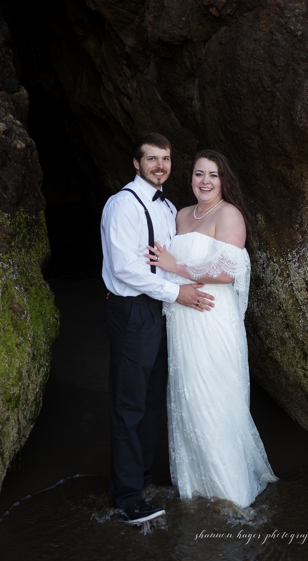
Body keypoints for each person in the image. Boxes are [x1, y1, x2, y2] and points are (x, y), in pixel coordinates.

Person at [146, 150, 278, 508]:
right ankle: (199, 485)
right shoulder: (182, 215)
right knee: (188, 394)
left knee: (215, 394)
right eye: (199, 174)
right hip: (183, 317)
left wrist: (180, 267)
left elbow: (227, 272)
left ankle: (231, 492)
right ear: (190, 178)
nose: (205, 181)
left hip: (213, 315)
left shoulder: (229, 214)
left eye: (213, 175)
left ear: (224, 181)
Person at [100, 133, 212, 524]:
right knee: (129, 402)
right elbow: (125, 270)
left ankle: (142, 478)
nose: (160, 166)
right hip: (132, 310)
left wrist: (179, 287)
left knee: (150, 399)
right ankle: (127, 497)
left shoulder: (167, 208)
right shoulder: (122, 206)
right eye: (152, 159)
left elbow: (167, 259)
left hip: (161, 308)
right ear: (136, 163)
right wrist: (176, 293)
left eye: (165, 159)